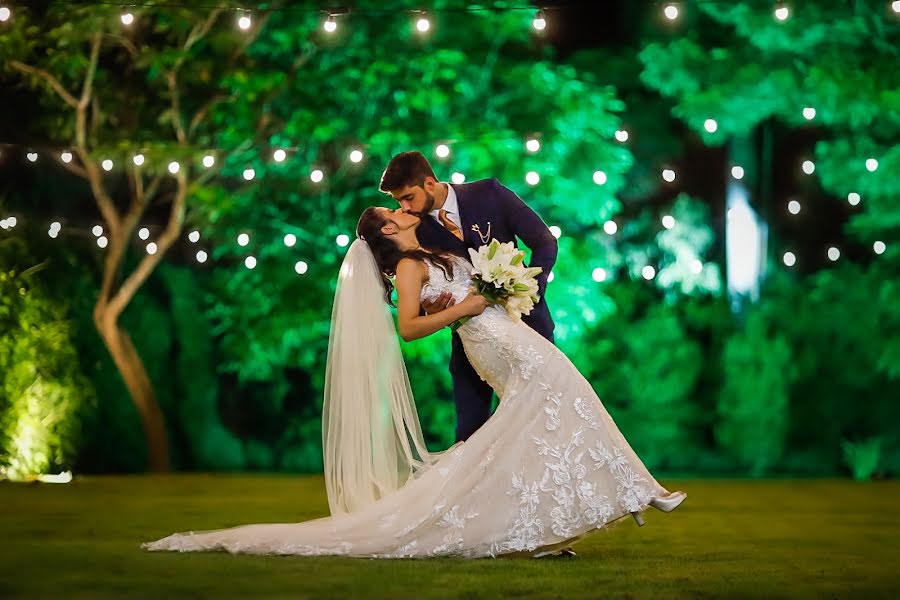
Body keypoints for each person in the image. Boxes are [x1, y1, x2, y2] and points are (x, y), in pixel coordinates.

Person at [142, 206, 687, 559]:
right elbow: (407, 329)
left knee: (548, 412)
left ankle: (582, 512)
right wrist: (469, 306)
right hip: (490, 341)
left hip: (503, 329)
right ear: (385, 231)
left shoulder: (431, 249)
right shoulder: (406, 268)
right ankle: (638, 489)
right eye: (393, 212)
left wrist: (501, 284)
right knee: (563, 393)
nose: (404, 212)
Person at [379, 151, 558, 444]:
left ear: (429, 183)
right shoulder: (414, 230)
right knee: (469, 435)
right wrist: (431, 309)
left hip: (528, 327)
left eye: (408, 197)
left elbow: (545, 242)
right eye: (398, 201)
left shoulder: (489, 194)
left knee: (540, 422)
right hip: (471, 344)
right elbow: (422, 294)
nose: (404, 207)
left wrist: (531, 289)